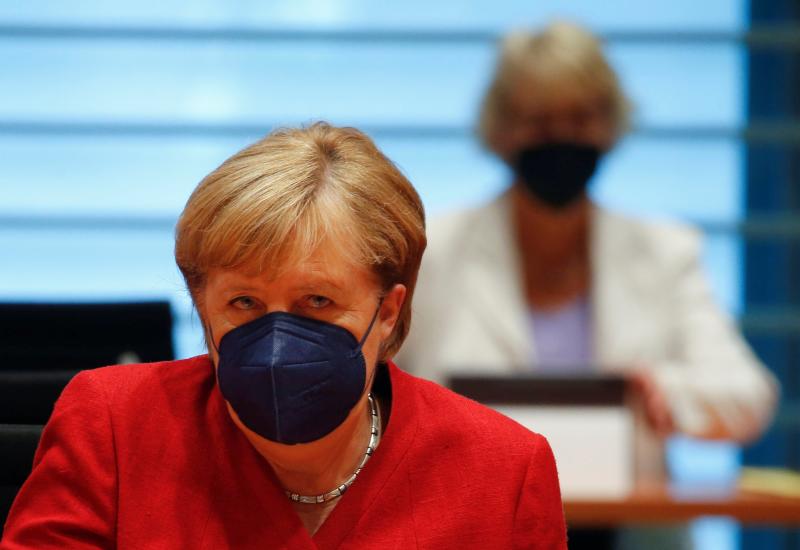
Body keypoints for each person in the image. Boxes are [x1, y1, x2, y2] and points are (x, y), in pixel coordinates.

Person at [0, 123, 567, 549]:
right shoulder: (114, 427)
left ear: (388, 312)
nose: (276, 341)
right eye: (244, 303)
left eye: (317, 301)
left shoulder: (503, 473)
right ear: (202, 303)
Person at [397, 17, 778, 501]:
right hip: (470, 515)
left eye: (579, 119)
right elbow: (375, 395)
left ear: (609, 125)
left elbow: (749, 397)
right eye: (540, 121)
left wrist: (663, 392)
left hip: (630, 526)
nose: (561, 137)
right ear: (503, 128)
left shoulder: (664, 252)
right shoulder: (432, 251)